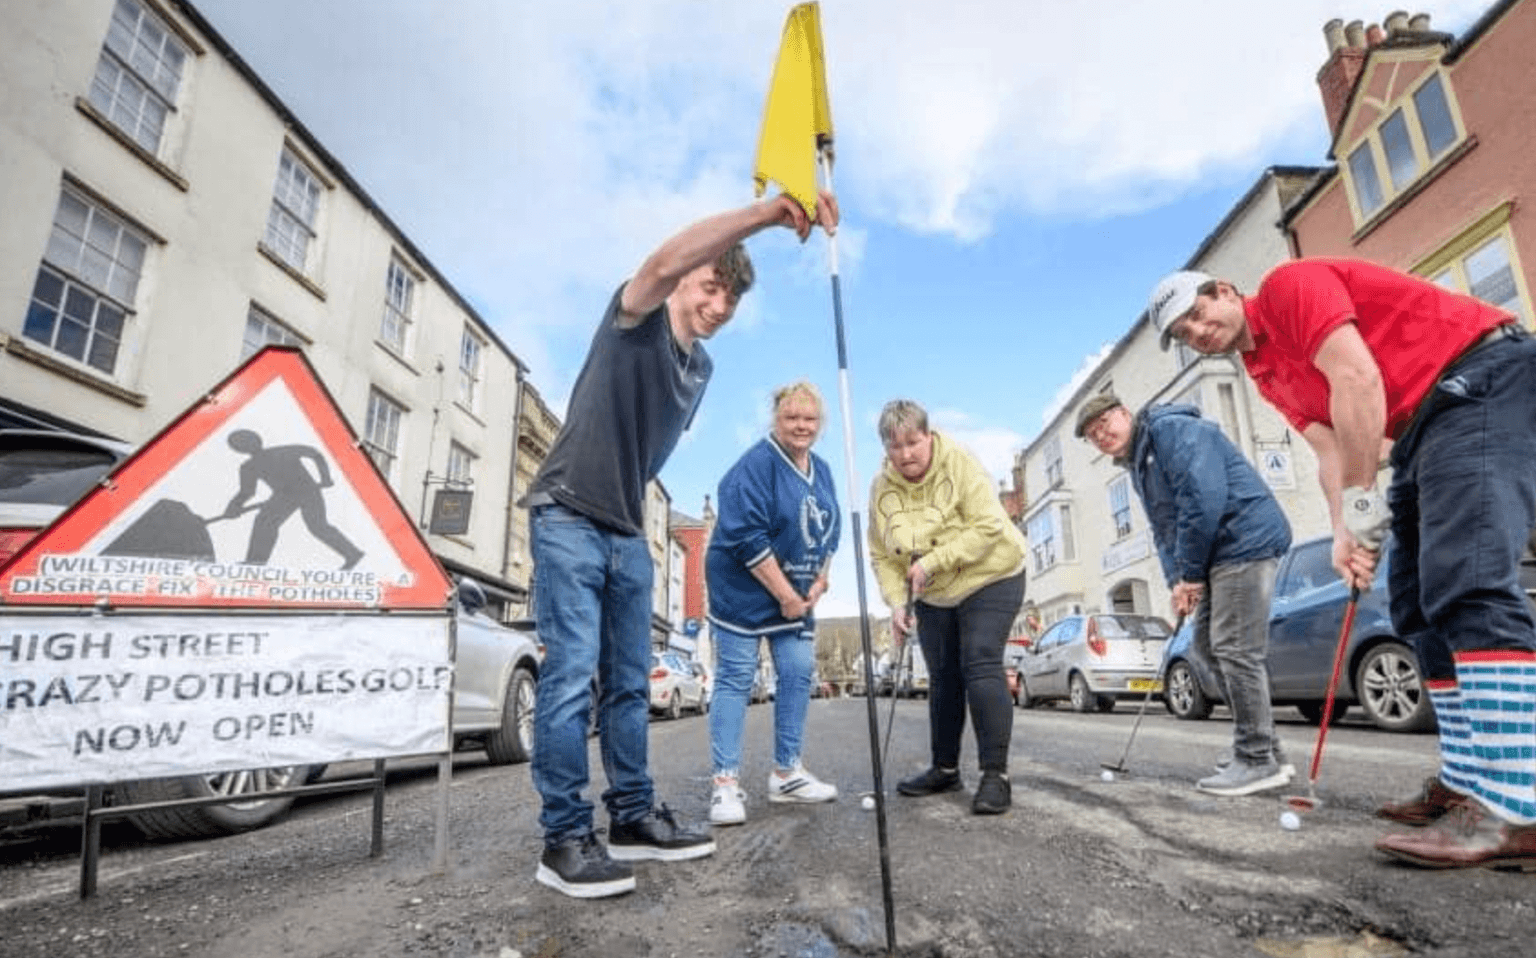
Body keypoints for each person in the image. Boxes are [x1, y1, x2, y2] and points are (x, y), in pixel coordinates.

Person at [1148, 260, 1536, 868]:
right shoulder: (1263, 370)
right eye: (1184, 334)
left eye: (1198, 313)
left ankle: (1520, 805)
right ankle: (1467, 782)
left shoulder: (1286, 288)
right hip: (1422, 427)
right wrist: (1342, 535)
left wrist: (1360, 503)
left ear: (1225, 290)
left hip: (1480, 377)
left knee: (1468, 585)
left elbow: (1358, 381)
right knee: (1414, 605)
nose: (1197, 332)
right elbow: (1330, 446)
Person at [526, 189, 839, 898]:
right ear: (685, 281)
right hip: (568, 513)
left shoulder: (702, 371)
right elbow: (665, 260)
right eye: (710, 287)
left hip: (628, 530)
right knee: (572, 677)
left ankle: (632, 818)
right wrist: (766, 215)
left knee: (631, 686)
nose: (720, 307)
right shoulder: (632, 318)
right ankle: (563, 839)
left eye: (732, 299)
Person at [1076, 394, 1293, 796]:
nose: (1102, 434)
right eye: (1093, 435)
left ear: (1126, 413)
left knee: (1234, 648)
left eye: (1105, 422)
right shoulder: (1139, 463)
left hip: (1245, 540)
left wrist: (1192, 574)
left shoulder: (1171, 431)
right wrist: (1177, 580)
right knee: (1209, 649)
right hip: (1219, 554)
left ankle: (1256, 758)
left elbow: (1202, 501)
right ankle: (1267, 750)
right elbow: (1164, 529)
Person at [867, 399, 1028, 814]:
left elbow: (990, 526)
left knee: (978, 658)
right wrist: (896, 603)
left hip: (991, 573)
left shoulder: (959, 462)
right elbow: (882, 555)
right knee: (943, 677)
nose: (905, 455)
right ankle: (945, 768)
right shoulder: (880, 489)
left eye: (912, 443)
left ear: (928, 435)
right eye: (894, 446)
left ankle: (996, 775)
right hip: (933, 590)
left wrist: (932, 561)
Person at [704, 380, 841, 825]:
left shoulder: (821, 469)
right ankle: (725, 784)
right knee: (737, 676)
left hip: (797, 592)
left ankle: (787, 773)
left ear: (820, 424)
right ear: (775, 419)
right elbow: (746, 536)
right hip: (743, 588)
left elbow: (828, 531)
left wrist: (820, 578)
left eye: (809, 419)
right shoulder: (756, 466)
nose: (801, 426)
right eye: (791, 418)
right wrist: (784, 595)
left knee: (799, 670)